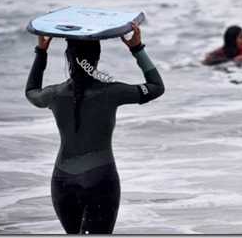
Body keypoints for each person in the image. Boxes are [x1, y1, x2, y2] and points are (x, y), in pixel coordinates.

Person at [25, 22, 164, 234]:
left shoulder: (53, 94)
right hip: (99, 179)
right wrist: (137, 49)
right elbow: (156, 87)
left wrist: (41, 52)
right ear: (96, 60)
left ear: (68, 58)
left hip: (62, 182)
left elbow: (31, 91)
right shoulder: (113, 91)